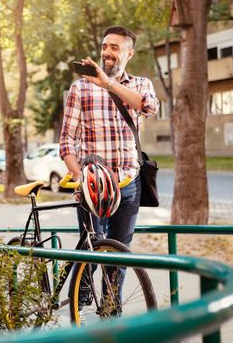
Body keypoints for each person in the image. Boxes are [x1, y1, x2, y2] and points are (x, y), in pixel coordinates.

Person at [59, 25, 159, 312]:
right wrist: (79, 178)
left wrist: (108, 84)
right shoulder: (80, 87)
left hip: (129, 184)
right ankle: (80, 297)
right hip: (93, 186)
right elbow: (67, 141)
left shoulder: (140, 84)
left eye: (115, 47)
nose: (107, 52)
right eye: (105, 46)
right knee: (92, 248)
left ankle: (111, 312)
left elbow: (149, 107)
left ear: (129, 52)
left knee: (120, 256)